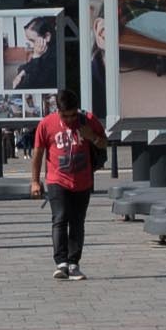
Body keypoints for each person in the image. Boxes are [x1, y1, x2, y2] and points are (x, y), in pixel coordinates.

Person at [33, 101, 103, 278]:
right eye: (65, 116)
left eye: (73, 115)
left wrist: (92, 136)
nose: (70, 119)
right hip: (56, 179)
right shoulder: (46, 124)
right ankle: (61, 263)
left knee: (78, 222)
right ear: (58, 111)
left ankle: (73, 264)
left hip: (83, 180)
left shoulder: (88, 120)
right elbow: (38, 153)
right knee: (60, 217)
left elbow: (104, 143)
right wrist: (35, 181)